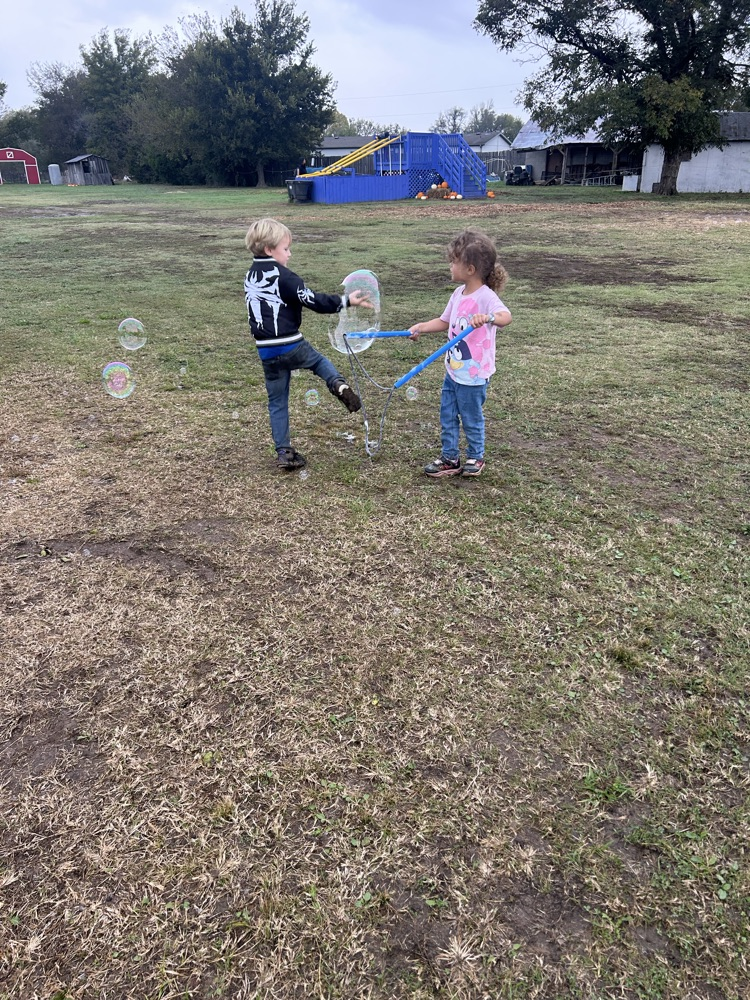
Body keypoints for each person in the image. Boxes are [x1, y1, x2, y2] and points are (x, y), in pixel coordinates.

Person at [244, 217, 371, 471]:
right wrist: (346, 301)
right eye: (286, 248)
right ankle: (338, 384)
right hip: (290, 343)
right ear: (270, 249)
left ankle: (284, 452)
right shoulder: (285, 277)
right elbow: (314, 301)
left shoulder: (249, 275)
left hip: (266, 350)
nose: (289, 254)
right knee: (318, 361)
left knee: (277, 401)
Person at [408, 229, 512, 478]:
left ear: (471, 269)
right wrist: (421, 327)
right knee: (447, 414)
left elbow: (505, 317)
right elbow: (445, 321)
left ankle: (476, 456)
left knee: (471, 416)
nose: (450, 266)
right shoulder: (458, 294)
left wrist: (487, 317)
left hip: (474, 374)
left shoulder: (486, 297)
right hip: (453, 370)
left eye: (454, 261)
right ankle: (450, 457)